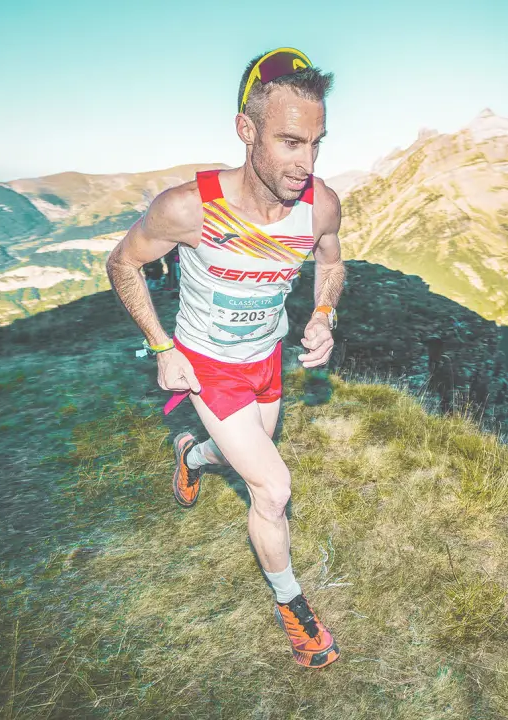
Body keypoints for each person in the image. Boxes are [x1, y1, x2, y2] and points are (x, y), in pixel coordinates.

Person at [105, 47, 344, 669]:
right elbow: (123, 263)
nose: (306, 162)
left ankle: (191, 454)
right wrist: (162, 347)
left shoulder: (320, 204)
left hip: (267, 358)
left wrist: (323, 314)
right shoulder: (189, 208)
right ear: (247, 130)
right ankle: (293, 607)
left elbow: (331, 260)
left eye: (315, 144)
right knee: (272, 487)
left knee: (240, 455)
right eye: (290, 142)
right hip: (208, 365)